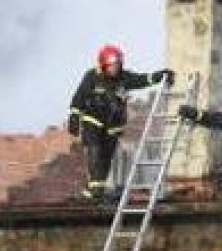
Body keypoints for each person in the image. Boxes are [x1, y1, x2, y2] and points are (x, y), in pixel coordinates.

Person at [67, 44, 174, 200]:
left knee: (105, 158)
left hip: (113, 127)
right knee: (95, 152)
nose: (115, 68)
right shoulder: (92, 77)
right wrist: (74, 117)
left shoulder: (124, 78)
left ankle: (92, 192)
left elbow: (142, 80)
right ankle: (95, 191)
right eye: (112, 65)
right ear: (103, 64)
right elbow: (79, 97)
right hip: (93, 121)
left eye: (117, 64)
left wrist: (160, 76)